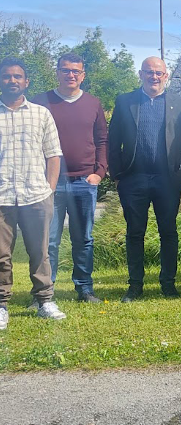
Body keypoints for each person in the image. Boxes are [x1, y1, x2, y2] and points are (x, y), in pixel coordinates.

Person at [109, 57, 181, 302]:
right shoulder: (125, 101)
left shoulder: (180, 104)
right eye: (149, 72)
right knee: (135, 232)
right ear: (140, 74)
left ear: (166, 76)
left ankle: (168, 284)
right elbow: (113, 141)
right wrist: (117, 176)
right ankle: (135, 285)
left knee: (168, 231)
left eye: (158, 73)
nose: (153, 77)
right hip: (133, 178)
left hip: (168, 180)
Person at [32, 53, 107, 304]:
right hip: (48, 184)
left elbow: (102, 140)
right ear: (57, 72)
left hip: (84, 181)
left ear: (83, 75)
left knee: (83, 239)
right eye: (66, 70)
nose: (71, 75)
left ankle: (84, 289)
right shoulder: (40, 102)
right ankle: (45, 293)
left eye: (76, 71)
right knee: (48, 241)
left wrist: (100, 172)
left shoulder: (93, 103)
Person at [0, 57, 66, 330]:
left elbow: (53, 154)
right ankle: (2, 305)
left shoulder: (41, 114)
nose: (12, 80)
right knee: (1, 254)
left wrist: (49, 191)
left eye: (18, 76)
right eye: (7, 76)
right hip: (1, 197)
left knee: (40, 252)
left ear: (26, 82)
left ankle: (45, 301)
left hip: (35, 195)